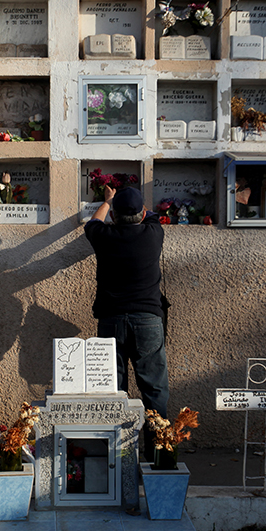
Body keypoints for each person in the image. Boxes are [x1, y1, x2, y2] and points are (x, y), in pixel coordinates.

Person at [84, 185, 169, 439]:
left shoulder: (103, 236)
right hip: (148, 320)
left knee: (113, 388)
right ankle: (159, 452)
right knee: (154, 388)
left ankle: (119, 455)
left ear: (113, 216)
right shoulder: (154, 233)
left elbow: (92, 222)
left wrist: (108, 201)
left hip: (111, 320)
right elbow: (151, 214)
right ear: (142, 214)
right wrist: (133, 204)